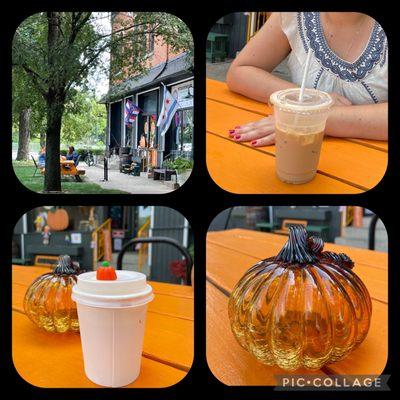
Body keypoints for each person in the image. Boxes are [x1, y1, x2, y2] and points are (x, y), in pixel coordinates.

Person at [226, 12, 388, 146]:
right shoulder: (294, 15)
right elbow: (240, 71)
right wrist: (308, 98)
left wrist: (312, 117)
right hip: (300, 148)